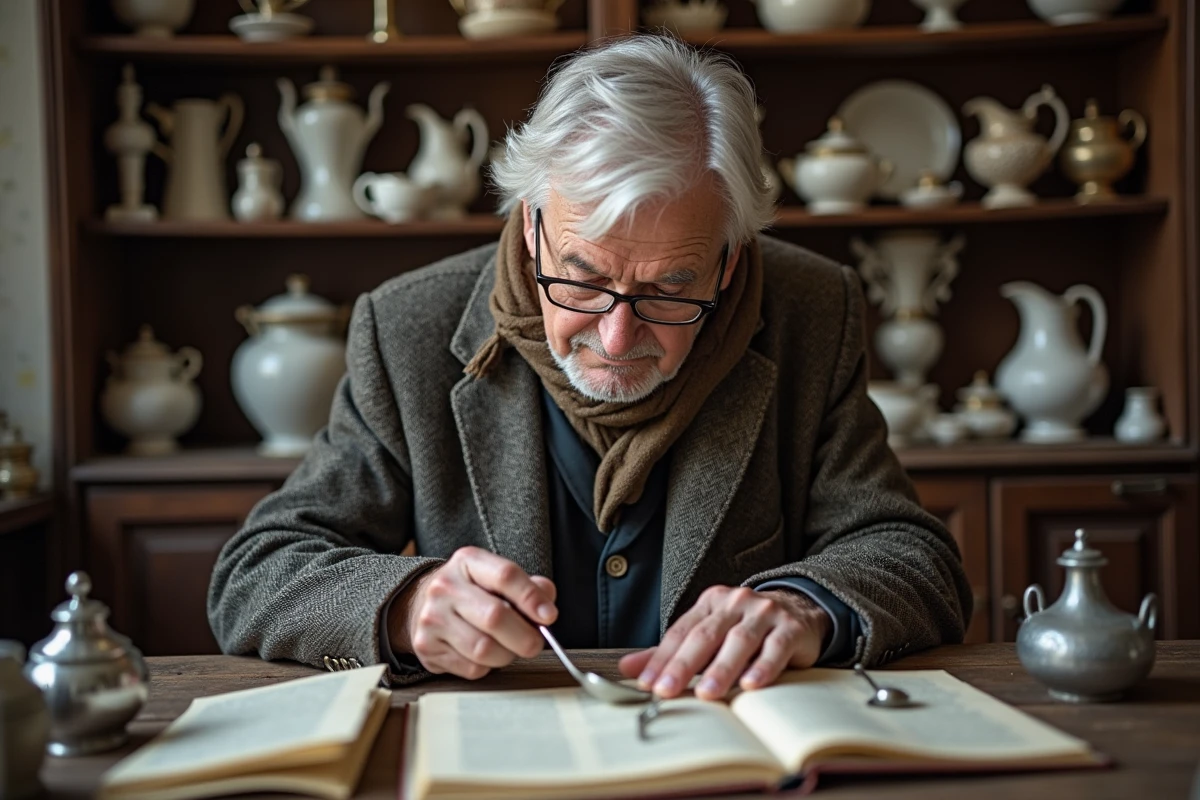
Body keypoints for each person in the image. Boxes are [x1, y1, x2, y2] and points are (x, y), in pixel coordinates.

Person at [208, 34, 971, 701]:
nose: (615, 337)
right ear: (533, 227)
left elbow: (917, 557)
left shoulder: (812, 310)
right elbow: (256, 572)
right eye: (580, 279)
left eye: (670, 290)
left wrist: (807, 606)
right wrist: (404, 608)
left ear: (731, 264)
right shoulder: (407, 329)